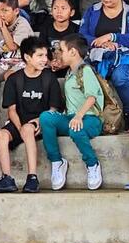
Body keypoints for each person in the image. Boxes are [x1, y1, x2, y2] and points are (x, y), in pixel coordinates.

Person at [0, 37, 61, 193]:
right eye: (40, 56)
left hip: (40, 121)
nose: (45, 60)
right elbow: (11, 110)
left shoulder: (49, 78)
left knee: (28, 130)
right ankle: (7, 178)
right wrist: (20, 127)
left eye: (45, 55)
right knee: (2, 135)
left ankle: (32, 177)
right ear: (28, 58)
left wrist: (37, 121)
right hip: (19, 121)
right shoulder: (15, 79)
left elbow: (54, 109)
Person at [79, 0, 129, 133]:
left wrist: (113, 37)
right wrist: (99, 42)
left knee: (120, 77)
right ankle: (89, 116)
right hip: (97, 55)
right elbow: (82, 35)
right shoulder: (92, 11)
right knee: (81, 74)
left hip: (126, 57)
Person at [40, 34, 105, 191]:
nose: (59, 54)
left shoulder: (86, 70)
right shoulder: (70, 71)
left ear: (73, 52)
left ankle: (92, 164)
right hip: (72, 117)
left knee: (75, 129)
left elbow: (91, 98)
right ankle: (57, 162)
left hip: (91, 119)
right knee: (46, 118)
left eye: (62, 50)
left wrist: (78, 116)